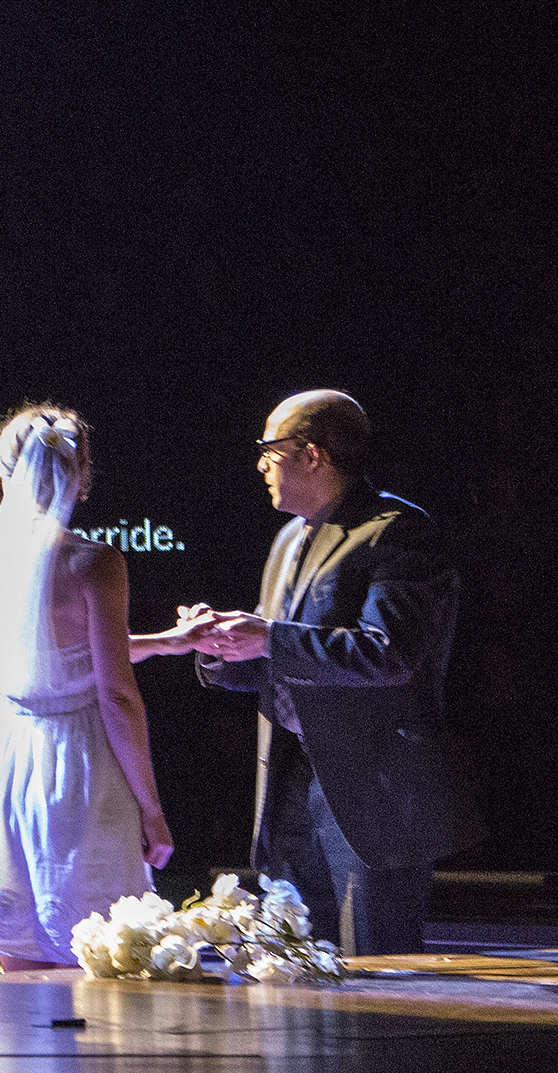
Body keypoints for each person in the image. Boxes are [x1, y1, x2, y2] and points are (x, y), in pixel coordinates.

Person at [194, 389, 484, 956]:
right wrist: (221, 648)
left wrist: (268, 637)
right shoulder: (287, 538)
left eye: (271, 449)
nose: (261, 464)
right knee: (295, 967)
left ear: (313, 455)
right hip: (289, 781)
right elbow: (286, 661)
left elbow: (387, 653)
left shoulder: (396, 531)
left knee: (376, 972)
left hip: (369, 793)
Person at [0, 404, 209, 970]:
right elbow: (116, 695)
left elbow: (48, 654)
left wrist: (164, 642)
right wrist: (152, 810)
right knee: (99, 952)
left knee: (20, 954)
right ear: (80, 475)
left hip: (9, 756)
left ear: (5, 473)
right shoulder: (95, 563)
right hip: (78, 762)